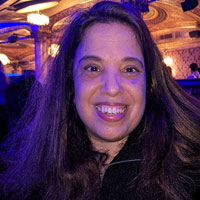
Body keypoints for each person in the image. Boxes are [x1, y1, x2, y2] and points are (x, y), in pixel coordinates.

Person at [0, 1, 200, 200]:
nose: (112, 88)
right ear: (70, 82)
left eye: (129, 69)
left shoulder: (190, 174)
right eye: (93, 68)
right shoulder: (28, 179)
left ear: (149, 83)